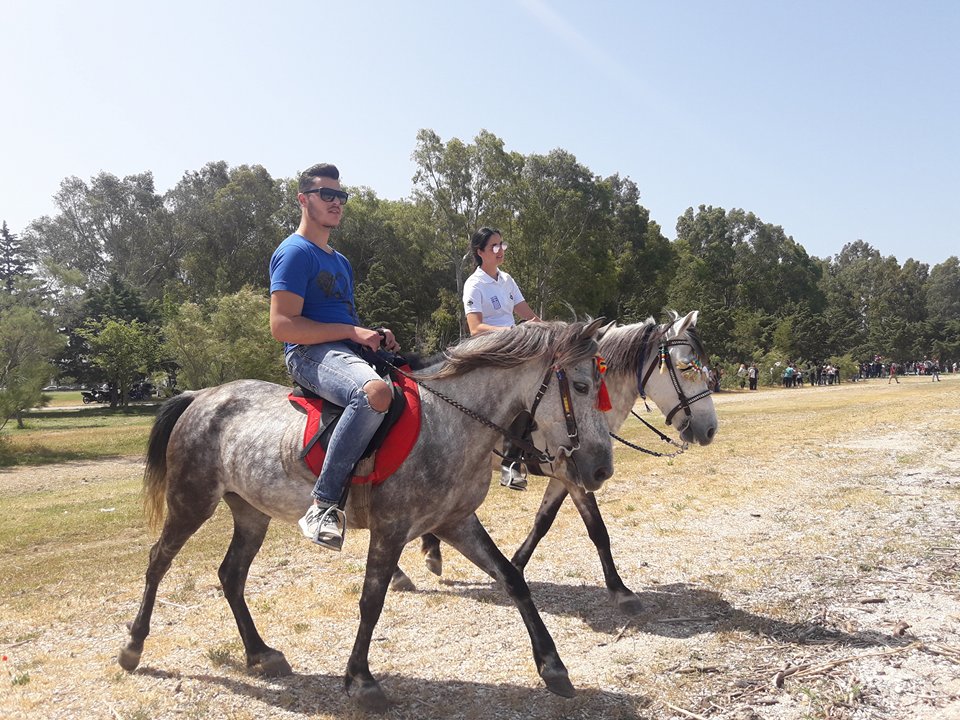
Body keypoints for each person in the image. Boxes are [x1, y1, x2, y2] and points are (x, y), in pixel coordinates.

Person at [269, 163, 400, 552]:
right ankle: (323, 505)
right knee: (374, 393)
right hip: (308, 355)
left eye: (340, 196)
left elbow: (343, 318)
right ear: (303, 199)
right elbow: (283, 327)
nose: (336, 202)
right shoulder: (295, 253)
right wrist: (348, 332)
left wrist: (372, 335)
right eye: (327, 195)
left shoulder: (340, 261)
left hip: (346, 350)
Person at [462, 226, 540, 489]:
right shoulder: (474, 284)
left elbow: (528, 315)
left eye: (501, 245)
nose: (500, 250)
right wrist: (511, 331)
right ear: (480, 252)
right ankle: (510, 464)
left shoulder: (506, 280)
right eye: (494, 246)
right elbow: (475, 328)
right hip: (491, 348)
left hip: (516, 343)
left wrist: (549, 330)